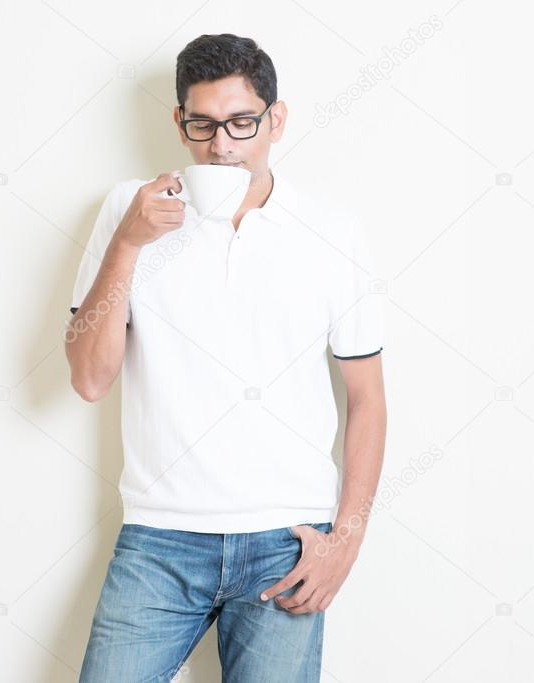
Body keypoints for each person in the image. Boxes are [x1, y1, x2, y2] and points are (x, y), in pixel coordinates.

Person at [65, 33, 387, 682]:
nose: (220, 146)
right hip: (158, 539)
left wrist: (345, 541)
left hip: (286, 541)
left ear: (276, 119)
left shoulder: (332, 232)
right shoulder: (129, 210)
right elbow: (90, 378)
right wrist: (127, 244)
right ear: (179, 122)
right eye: (203, 125)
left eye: (241, 123)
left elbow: (367, 399)